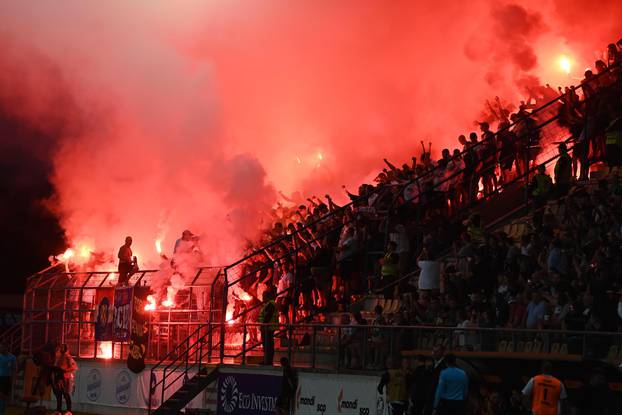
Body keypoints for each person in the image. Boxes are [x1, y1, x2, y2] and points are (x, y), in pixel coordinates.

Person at [53, 344, 77, 415]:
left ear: (66, 349)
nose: (61, 349)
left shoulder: (68, 357)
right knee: (58, 395)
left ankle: (69, 411)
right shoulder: (59, 357)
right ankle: (58, 411)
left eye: (63, 347)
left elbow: (74, 367)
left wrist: (65, 370)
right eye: (61, 347)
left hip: (66, 378)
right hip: (59, 378)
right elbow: (56, 366)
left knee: (66, 394)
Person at [258, 290, 278, 365]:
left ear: (267, 297)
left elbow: (267, 316)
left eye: (264, 296)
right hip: (268, 328)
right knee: (268, 345)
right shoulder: (269, 304)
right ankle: (267, 360)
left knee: (267, 345)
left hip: (268, 328)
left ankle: (268, 361)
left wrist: (263, 325)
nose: (262, 298)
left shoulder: (270, 304)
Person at [0, 344, 16, 415]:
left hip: (7, 378)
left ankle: (2, 411)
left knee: (4, 397)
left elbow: (14, 368)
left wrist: (13, 379)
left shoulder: (12, 357)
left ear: (6, 348)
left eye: (2, 348)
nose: (0, 349)